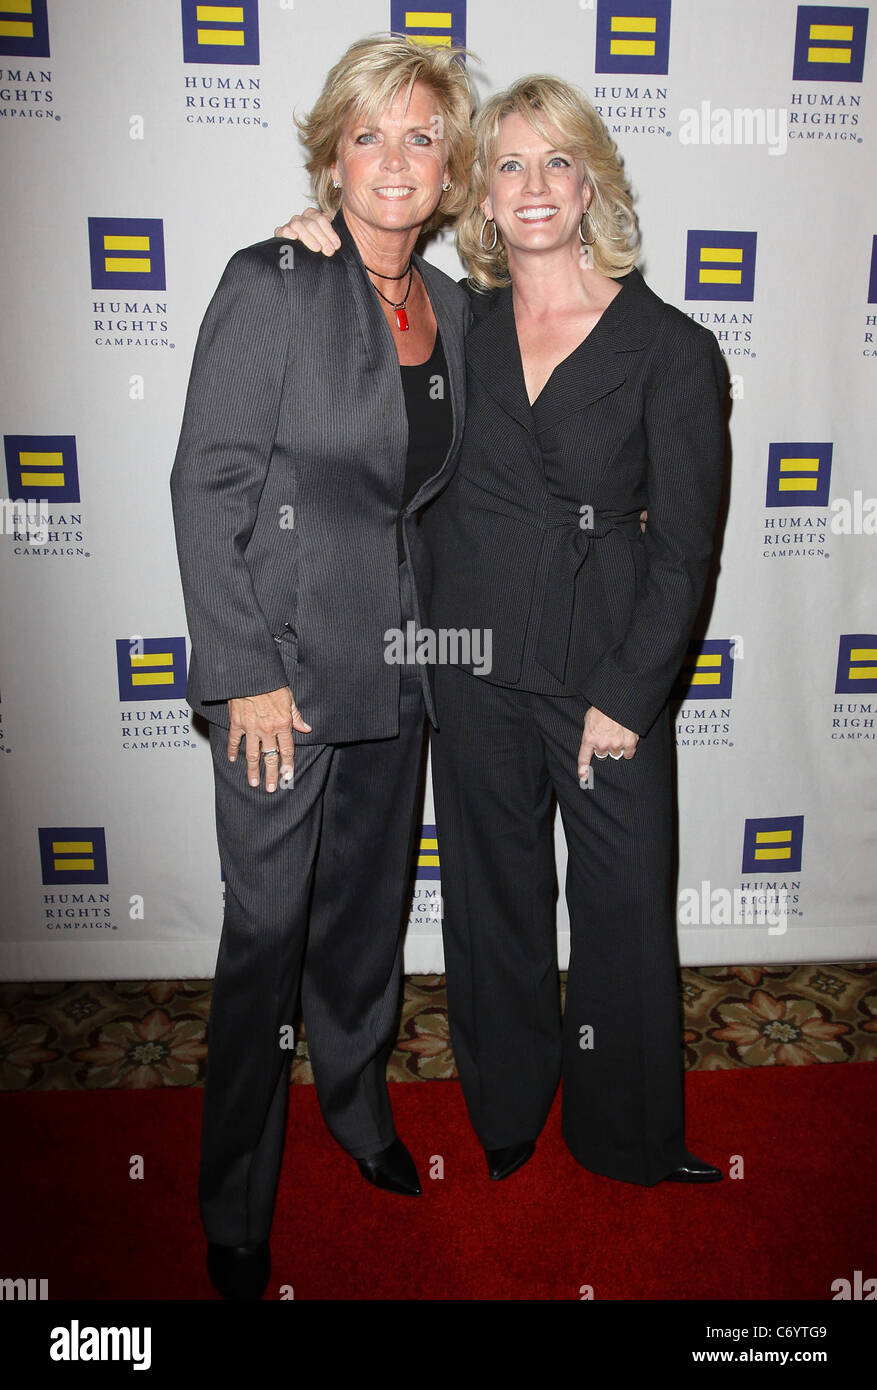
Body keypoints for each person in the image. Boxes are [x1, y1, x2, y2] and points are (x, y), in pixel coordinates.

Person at [277, 75, 728, 1190]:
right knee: (492, 896)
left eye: (556, 163)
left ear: (592, 186)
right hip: (469, 661)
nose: (533, 187)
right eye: (510, 165)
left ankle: (625, 1133)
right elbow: (362, 291)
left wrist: (630, 694)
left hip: (602, 667)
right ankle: (510, 1103)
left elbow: (683, 550)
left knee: (622, 905)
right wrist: (312, 239)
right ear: (480, 197)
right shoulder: (457, 317)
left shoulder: (670, 348)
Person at [170, 34, 473, 1300]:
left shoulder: (456, 308)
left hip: (398, 673)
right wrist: (242, 668)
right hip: (281, 682)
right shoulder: (276, 280)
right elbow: (208, 481)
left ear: (449, 166)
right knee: (265, 938)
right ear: (330, 156)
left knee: (362, 927)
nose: (393, 161)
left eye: (419, 136)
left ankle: (356, 1109)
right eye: (368, 135)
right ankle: (235, 1194)